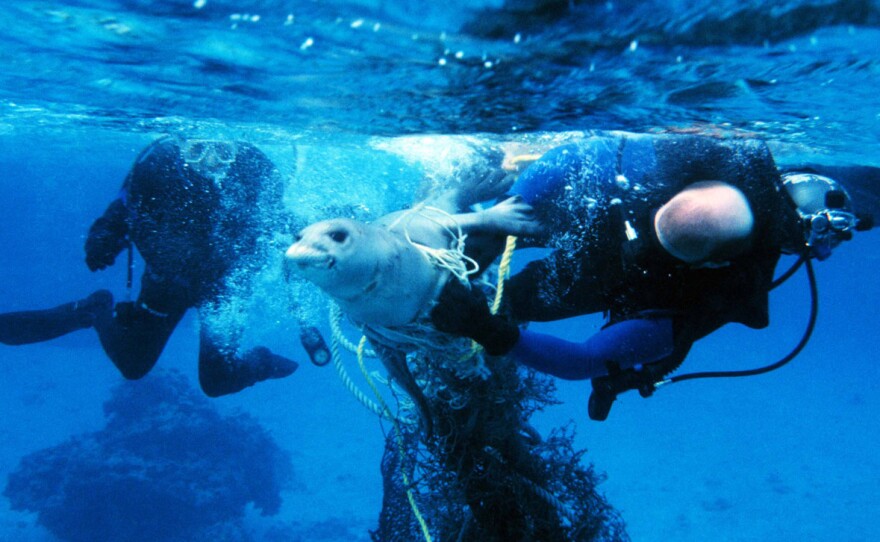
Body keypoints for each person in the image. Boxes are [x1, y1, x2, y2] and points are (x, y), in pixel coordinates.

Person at [430, 132, 875, 419]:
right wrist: (503, 213)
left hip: (604, 277)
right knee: (502, 238)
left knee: (507, 301)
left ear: (712, 264)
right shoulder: (700, 162)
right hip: (601, 228)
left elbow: (583, 361)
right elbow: (586, 155)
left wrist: (488, 329)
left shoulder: (708, 296)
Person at [0, 136, 301, 397]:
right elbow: (123, 208)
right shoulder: (158, 165)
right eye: (197, 150)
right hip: (168, 282)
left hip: (225, 291)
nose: (211, 161)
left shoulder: (256, 168)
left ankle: (259, 362)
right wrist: (105, 237)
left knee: (217, 382)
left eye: (223, 151)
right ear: (180, 143)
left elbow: (278, 218)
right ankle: (94, 310)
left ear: (238, 145)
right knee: (133, 366)